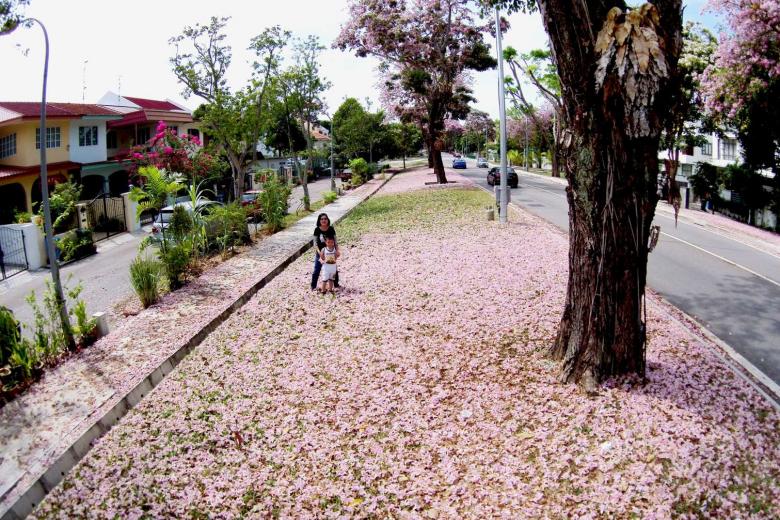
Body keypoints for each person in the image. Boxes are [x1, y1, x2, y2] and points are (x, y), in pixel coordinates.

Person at [311, 213, 340, 290]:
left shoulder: (331, 228)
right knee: (317, 269)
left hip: (331, 252)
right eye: (322, 219)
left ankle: (336, 285)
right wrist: (319, 252)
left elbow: (335, 241)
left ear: (328, 220)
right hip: (321, 253)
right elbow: (315, 243)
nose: (324, 220)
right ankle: (313, 286)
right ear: (319, 220)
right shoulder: (317, 230)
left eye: (325, 219)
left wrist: (337, 250)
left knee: (333, 268)